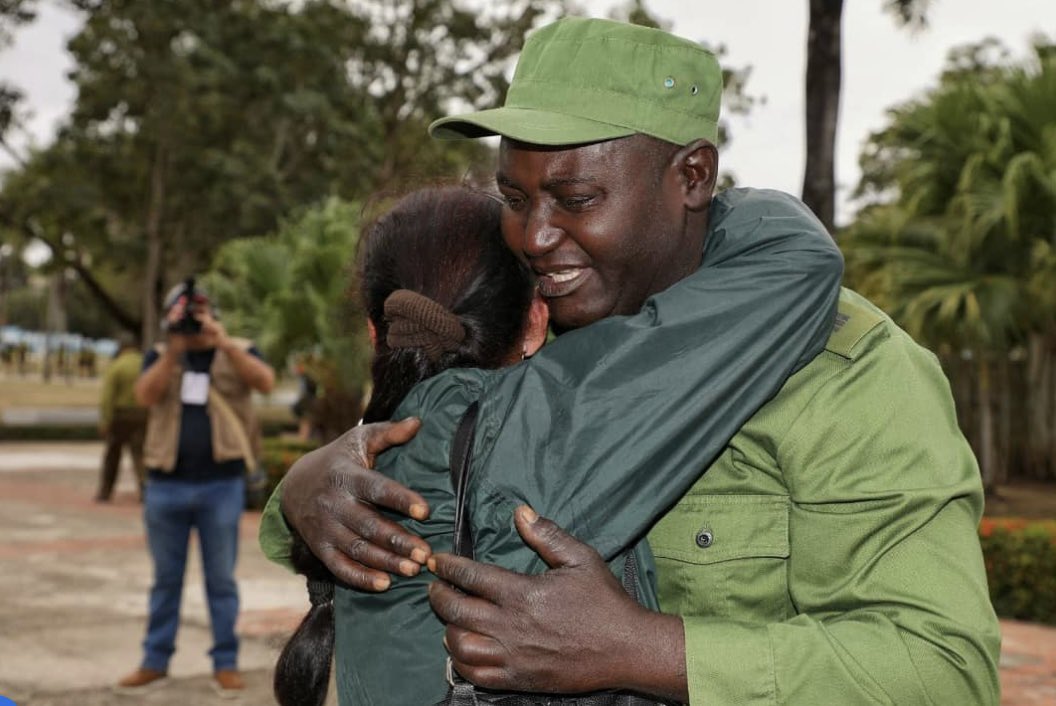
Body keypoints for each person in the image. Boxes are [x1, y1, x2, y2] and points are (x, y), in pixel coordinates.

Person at [264, 18, 1001, 705]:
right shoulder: (531, 330)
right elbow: (438, 470)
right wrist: (305, 492)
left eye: (577, 198)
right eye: (513, 197)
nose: (533, 237)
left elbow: (943, 669)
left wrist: (647, 651)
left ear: (693, 176)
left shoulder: (843, 372)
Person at [117, 279, 275, 697]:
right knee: (165, 580)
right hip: (165, 486)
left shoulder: (238, 349)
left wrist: (223, 344)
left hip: (221, 485)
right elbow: (144, 395)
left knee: (220, 580)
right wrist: (173, 351)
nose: (193, 323)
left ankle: (226, 663)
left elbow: (265, 383)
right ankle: (154, 661)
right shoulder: (160, 355)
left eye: (199, 314)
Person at [95, 334, 147, 502]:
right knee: (140, 454)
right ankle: (145, 489)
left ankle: (106, 491)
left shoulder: (117, 366)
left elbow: (108, 397)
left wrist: (105, 421)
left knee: (113, 455)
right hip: (143, 414)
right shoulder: (145, 363)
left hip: (121, 416)